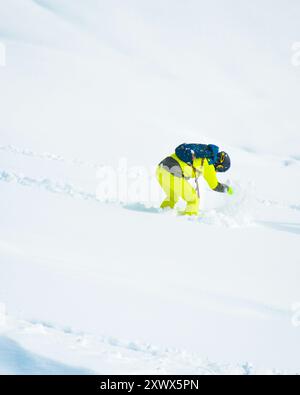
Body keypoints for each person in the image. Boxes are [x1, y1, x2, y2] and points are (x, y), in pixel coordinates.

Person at [156, 143, 233, 216]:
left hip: (160, 169)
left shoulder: (203, 154)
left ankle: (162, 214)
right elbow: (214, 186)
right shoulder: (209, 164)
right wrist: (229, 190)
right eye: (219, 170)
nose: (216, 172)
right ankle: (190, 223)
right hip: (172, 173)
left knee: (172, 197)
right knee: (193, 199)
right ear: (219, 166)